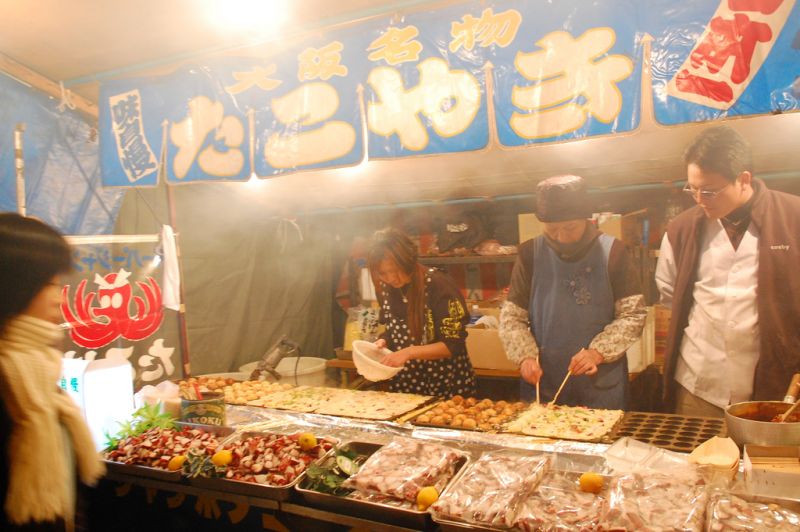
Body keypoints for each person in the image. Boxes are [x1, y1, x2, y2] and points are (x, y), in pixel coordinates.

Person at [656, 126, 800, 417]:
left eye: (709, 190)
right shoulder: (681, 230)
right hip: (698, 384)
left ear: (743, 179)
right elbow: (670, 295)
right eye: (692, 188)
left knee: (765, 463)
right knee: (696, 462)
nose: (699, 198)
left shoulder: (792, 217)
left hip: (777, 386)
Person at [499, 175, 646, 410]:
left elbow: (633, 315)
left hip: (600, 384)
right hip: (543, 381)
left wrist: (598, 352)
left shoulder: (614, 252)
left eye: (570, 228)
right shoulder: (529, 254)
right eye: (552, 229)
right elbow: (511, 317)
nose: (561, 237)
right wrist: (525, 356)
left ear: (586, 220)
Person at [0, 213, 105, 531]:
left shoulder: (37, 367)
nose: (61, 297)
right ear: (14, 284)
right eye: (50, 283)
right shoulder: (11, 375)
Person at [368, 228, 476, 397]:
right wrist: (384, 341)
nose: (391, 278)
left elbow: (453, 344)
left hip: (446, 384)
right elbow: (394, 329)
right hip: (407, 385)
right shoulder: (385, 288)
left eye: (395, 270)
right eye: (383, 273)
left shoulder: (439, 285)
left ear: (408, 262)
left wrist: (409, 352)